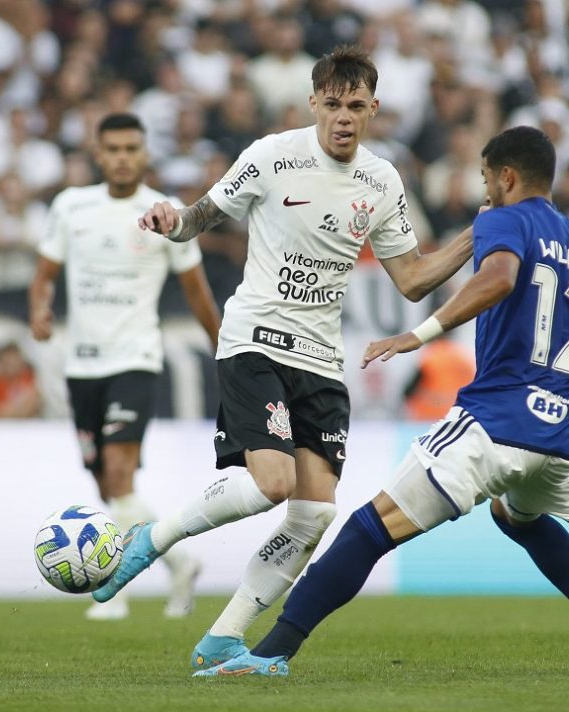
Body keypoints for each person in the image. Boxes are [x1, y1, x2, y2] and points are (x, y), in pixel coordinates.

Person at [197, 125, 569, 677]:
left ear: (507, 176)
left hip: (493, 424)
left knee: (368, 529)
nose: (485, 191)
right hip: (561, 435)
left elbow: (499, 277)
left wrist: (419, 334)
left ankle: (268, 655)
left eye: (487, 179)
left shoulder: (502, 218)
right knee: (517, 516)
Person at [89, 44, 474, 671]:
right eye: (332, 104)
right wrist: (169, 218)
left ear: (374, 108)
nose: (343, 117)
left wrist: (473, 235)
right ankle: (153, 538)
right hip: (256, 340)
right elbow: (200, 218)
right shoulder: (272, 156)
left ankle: (222, 639)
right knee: (274, 484)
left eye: (356, 105)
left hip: (322, 359)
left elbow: (410, 278)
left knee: (315, 512)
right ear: (312, 104)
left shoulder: (382, 181)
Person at [29, 112, 222, 621]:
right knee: (108, 486)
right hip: (82, 365)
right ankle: (180, 561)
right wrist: (39, 308)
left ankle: (113, 589)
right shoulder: (71, 207)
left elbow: (197, 292)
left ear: (145, 154)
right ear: (98, 154)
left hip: (136, 358)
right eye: (112, 148)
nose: (121, 157)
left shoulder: (164, 215)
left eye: (131, 148)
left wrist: (224, 348)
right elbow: (44, 274)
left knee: (117, 470)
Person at [0, 341, 42, 419]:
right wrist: (19, 408)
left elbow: (34, 403)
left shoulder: (27, 377)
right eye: (7, 360)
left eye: (15, 359)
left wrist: (10, 410)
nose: (12, 364)